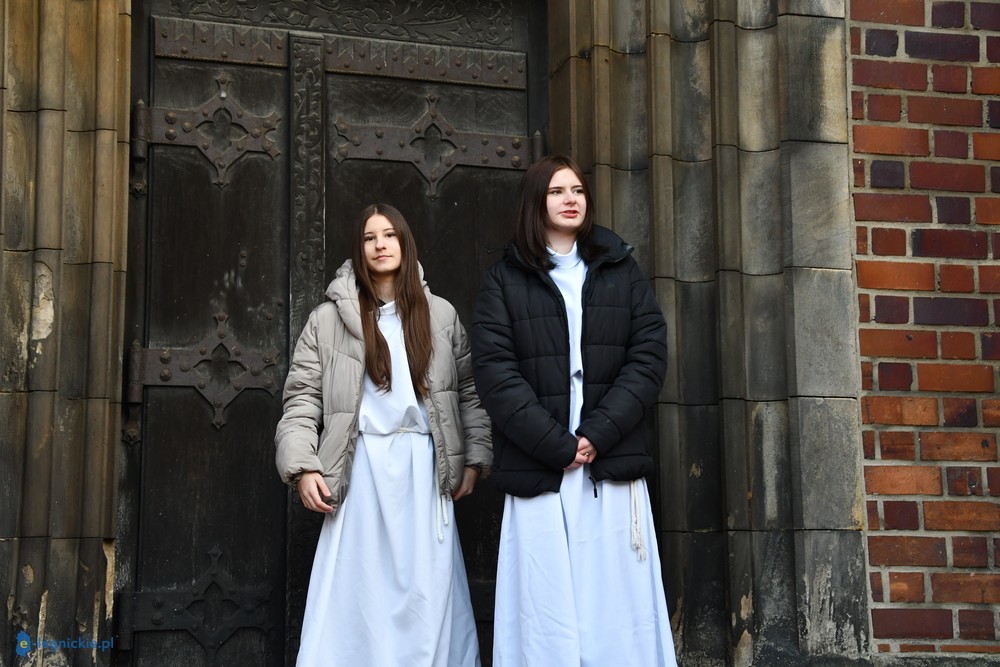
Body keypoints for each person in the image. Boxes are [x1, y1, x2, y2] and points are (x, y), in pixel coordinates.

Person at [470, 155, 677, 666]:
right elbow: (496, 373)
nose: (571, 199)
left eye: (578, 190)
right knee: (546, 609)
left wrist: (598, 433)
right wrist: (557, 445)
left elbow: (648, 356)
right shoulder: (504, 280)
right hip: (542, 465)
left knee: (615, 604)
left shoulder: (620, 269)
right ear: (535, 202)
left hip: (608, 460)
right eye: (557, 191)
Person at [275, 203, 491, 667]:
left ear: (405, 243)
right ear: (359, 249)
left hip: (423, 471)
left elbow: (468, 394)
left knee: (428, 591)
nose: (380, 244)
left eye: (390, 234)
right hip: (360, 471)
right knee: (357, 590)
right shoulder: (327, 320)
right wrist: (303, 466)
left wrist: (474, 458)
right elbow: (302, 399)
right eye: (370, 237)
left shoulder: (441, 315)